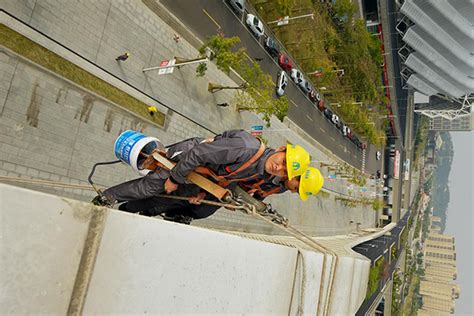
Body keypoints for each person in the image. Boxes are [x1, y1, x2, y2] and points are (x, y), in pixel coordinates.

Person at [92, 129, 310, 208]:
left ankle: (129, 207)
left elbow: (226, 179)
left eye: (284, 171)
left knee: (171, 195)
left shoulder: (261, 168)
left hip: (198, 170)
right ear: (281, 149)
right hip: (188, 156)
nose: (279, 168)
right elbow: (198, 153)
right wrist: (174, 179)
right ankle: (107, 197)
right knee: (152, 186)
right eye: (283, 161)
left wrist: (201, 192)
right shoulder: (246, 148)